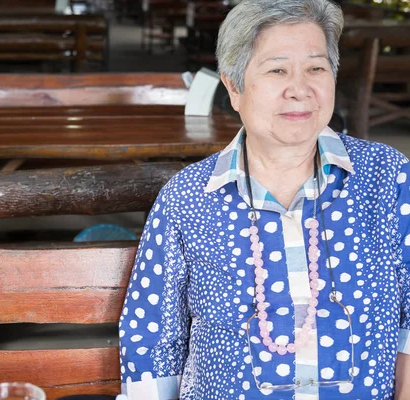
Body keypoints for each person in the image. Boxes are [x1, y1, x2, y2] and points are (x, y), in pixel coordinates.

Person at [118, 0, 410, 399]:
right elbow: (151, 339)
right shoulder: (188, 197)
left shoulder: (386, 177)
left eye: (316, 68)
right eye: (277, 70)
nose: (300, 90)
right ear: (234, 87)